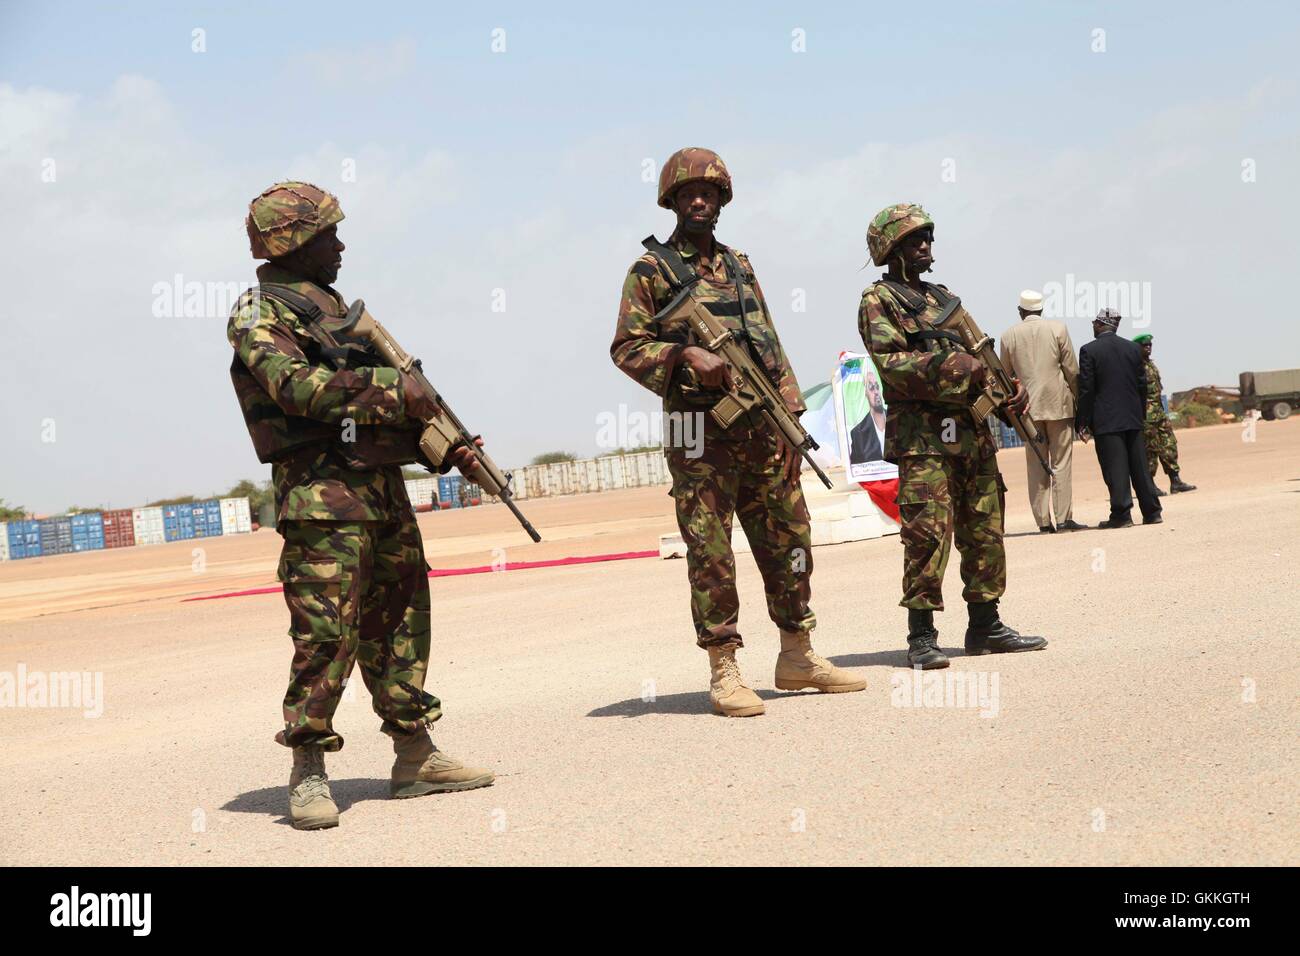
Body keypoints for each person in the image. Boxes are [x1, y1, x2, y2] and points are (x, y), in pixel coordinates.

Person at [229, 181, 494, 830]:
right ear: (292, 241)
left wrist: (441, 449)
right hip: (323, 505)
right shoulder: (259, 313)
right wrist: (396, 390)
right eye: (327, 235)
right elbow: (299, 391)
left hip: (383, 495)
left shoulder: (334, 308)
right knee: (326, 635)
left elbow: (373, 416)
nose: (340, 245)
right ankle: (309, 768)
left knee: (402, 622)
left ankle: (416, 756)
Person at [611, 148, 865, 716]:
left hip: (762, 427)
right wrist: (682, 356)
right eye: (687, 193)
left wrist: (792, 417)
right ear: (672, 201)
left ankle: (797, 653)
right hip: (700, 435)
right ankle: (724, 668)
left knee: (789, 539)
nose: (699, 200)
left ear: (723, 200)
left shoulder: (740, 265)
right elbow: (627, 348)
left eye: (709, 192)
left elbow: (768, 342)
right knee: (712, 551)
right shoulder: (650, 272)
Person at [858, 203, 1047, 669]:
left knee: (985, 530)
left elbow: (980, 360)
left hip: (972, 437)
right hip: (924, 443)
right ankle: (921, 635)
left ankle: (986, 624)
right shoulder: (879, 301)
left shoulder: (944, 300)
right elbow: (892, 367)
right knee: (927, 535)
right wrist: (957, 367)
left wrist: (1005, 389)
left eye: (927, 238)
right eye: (912, 240)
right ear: (889, 248)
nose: (925, 246)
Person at [999, 289, 1086, 533]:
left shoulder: (1008, 336)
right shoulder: (1058, 329)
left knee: (1035, 465)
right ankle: (1064, 519)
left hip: (1027, 410)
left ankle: (1043, 522)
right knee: (1062, 463)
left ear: (1020, 311)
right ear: (1041, 310)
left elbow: (1004, 377)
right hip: (1059, 404)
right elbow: (1072, 370)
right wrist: (1079, 403)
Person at [1075, 309, 1163, 528]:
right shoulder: (1133, 349)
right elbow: (1142, 385)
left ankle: (1122, 515)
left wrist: (1082, 421)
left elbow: (1086, 390)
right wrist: (1140, 414)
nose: (1092, 326)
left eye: (1094, 322)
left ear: (1100, 324)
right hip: (1133, 418)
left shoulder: (1089, 350)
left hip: (1107, 421)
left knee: (1116, 469)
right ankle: (1152, 512)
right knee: (1140, 467)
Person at [1132, 334, 1196, 495]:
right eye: (1144, 345)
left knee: (1169, 445)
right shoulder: (1134, 367)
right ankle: (1150, 485)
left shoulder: (1151, 365)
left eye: (1150, 345)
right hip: (1146, 416)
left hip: (1160, 414)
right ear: (1137, 348)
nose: (1148, 347)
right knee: (1150, 450)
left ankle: (1175, 481)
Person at [848, 367, 887, 464]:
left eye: (877, 387)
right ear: (865, 393)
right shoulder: (857, 433)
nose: (876, 392)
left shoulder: (897, 421)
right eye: (871, 388)